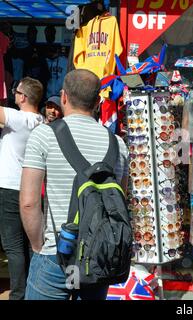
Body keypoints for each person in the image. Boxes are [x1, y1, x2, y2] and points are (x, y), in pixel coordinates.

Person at [20, 69, 128, 300]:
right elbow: (119, 202)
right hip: (97, 257)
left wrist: (40, 247)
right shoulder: (118, 145)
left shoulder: (44, 135)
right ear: (98, 102)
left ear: (64, 97)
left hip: (56, 253)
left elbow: (29, 203)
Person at [0, 77, 44, 300]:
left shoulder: (18, 119)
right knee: (31, 244)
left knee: (14, 245)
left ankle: (18, 295)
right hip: (32, 188)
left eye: (16, 92)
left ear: (23, 97)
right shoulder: (41, 120)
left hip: (10, 188)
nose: (13, 95)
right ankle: (31, 290)